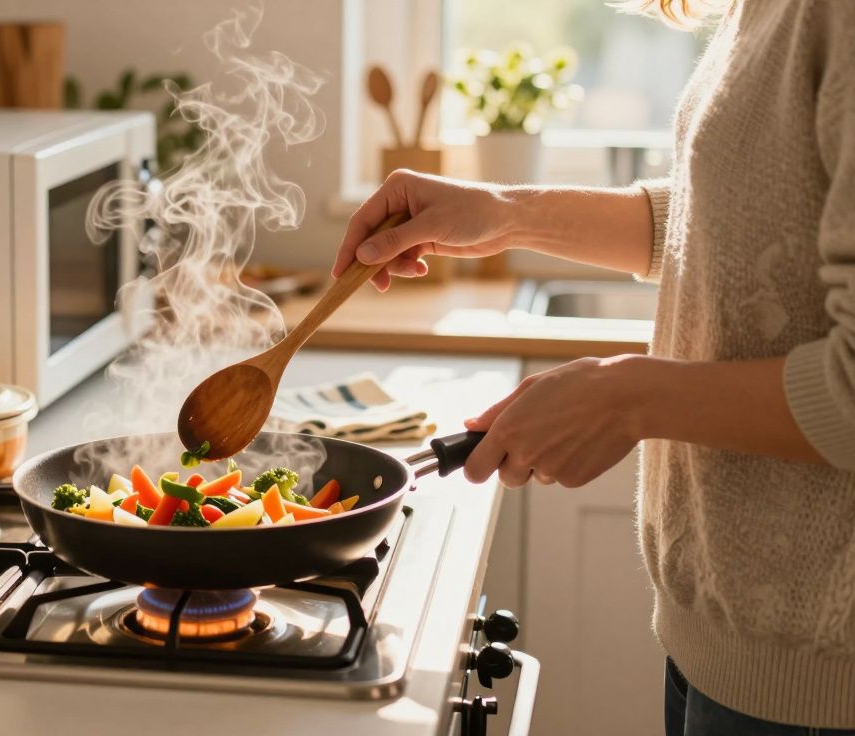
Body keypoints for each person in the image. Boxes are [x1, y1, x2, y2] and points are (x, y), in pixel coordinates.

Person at [334, 1, 855, 734]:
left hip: (820, 683)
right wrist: (504, 210)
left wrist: (625, 397)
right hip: (723, 631)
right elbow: (741, 218)